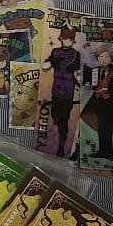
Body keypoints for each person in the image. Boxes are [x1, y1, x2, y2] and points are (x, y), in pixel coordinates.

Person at [80, 44, 113, 161]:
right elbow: (89, 84)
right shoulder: (95, 70)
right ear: (97, 58)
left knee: (108, 127)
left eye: (107, 57)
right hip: (98, 102)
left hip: (110, 102)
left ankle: (109, 153)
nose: (104, 60)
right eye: (101, 57)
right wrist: (89, 86)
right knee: (101, 127)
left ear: (111, 59)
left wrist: (107, 89)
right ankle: (102, 151)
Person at [42, 27, 81, 156]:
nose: (68, 41)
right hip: (56, 89)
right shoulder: (55, 52)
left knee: (64, 118)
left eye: (70, 39)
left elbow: (78, 73)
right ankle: (60, 137)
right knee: (55, 114)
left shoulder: (76, 54)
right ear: (61, 39)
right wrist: (53, 61)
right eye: (65, 39)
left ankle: (61, 145)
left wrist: (80, 80)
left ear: (73, 41)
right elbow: (45, 65)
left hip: (68, 90)